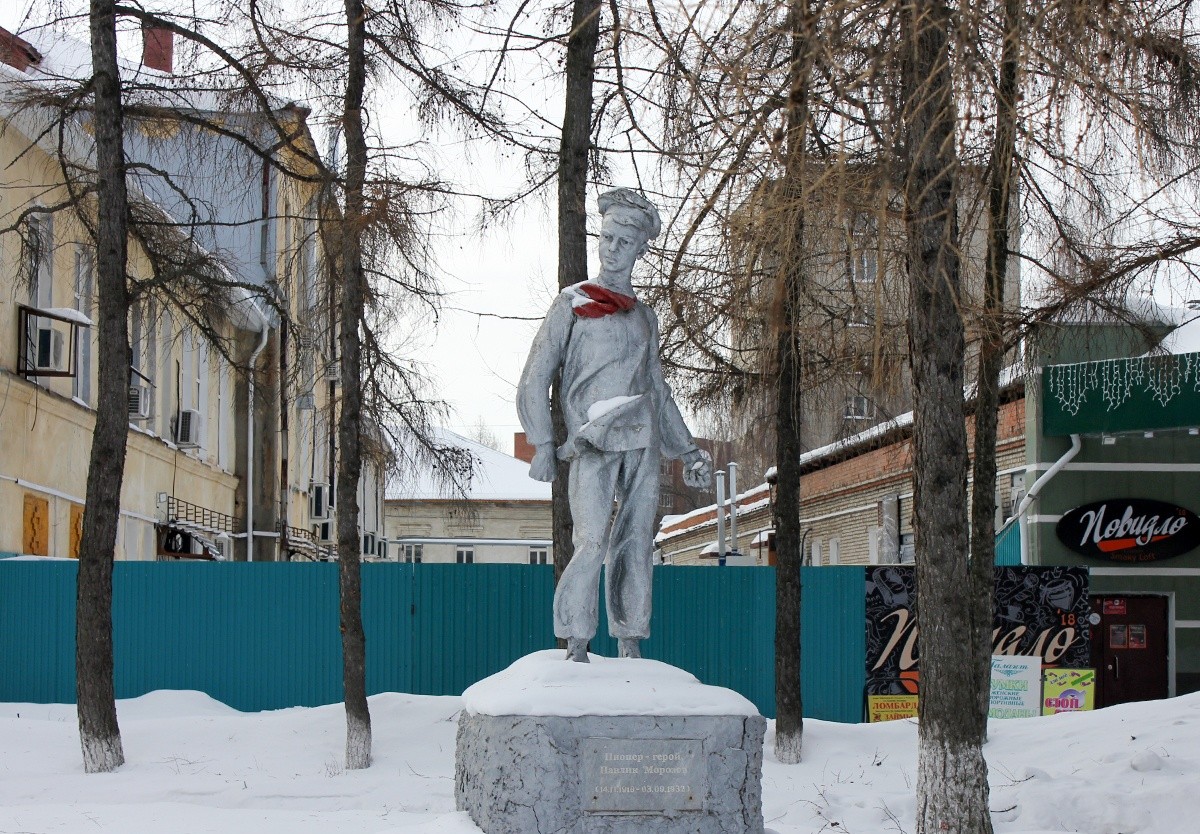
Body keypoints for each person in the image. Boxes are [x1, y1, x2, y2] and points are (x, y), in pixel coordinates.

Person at [517, 187, 712, 662]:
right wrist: (542, 442)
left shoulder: (644, 316)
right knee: (590, 541)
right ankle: (576, 640)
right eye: (607, 238)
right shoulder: (574, 304)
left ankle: (630, 640)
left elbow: (657, 389)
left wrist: (687, 451)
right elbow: (535, 375)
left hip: (642, 441)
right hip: (592, 442)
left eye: (625, 242)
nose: (612, 249)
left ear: (640, 249)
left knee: (634, 542)